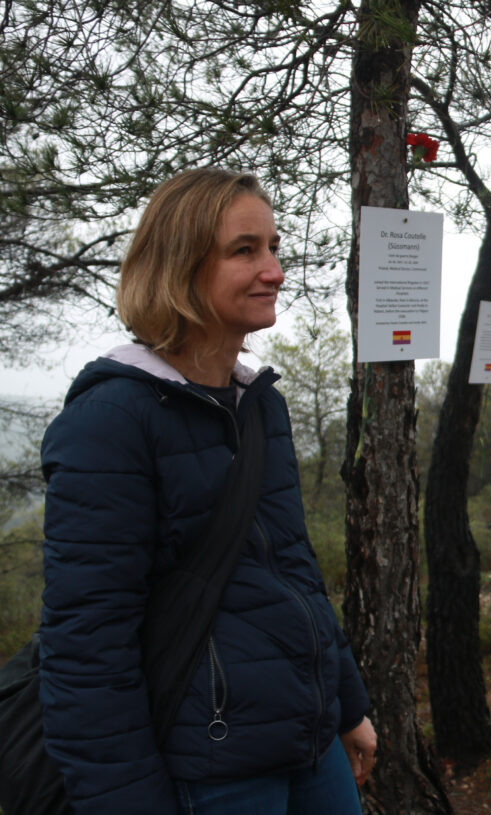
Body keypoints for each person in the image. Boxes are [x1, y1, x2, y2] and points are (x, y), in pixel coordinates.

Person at [38, 167, 377, 814]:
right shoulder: (110, 421)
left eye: (275, 247)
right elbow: (87, 647)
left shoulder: (259, 406)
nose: (274, 269)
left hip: (308, 747)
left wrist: (348, 702)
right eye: (245, 250)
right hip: (209, 768)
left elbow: (293, 571)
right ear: (179, 266)